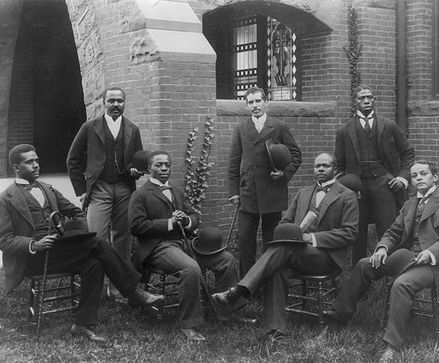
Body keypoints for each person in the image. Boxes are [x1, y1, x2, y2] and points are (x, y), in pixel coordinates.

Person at [0, 144, 164, 342]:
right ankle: (133, 292)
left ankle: (81, 324)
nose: (36, 165)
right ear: (16, 168)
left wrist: (68, 228)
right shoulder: (4, 199)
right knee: (98, 243)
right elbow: (4, 240)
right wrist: (34, 244)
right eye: (29, 162)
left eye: (37, 160)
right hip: (35, 258)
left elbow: (77, 213)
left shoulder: (48, 189)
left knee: (95, 263)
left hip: (59, 250)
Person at [324, 160, 439, 363]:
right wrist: (382, 247)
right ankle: (340, 314)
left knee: (401, 284)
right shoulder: (410, 204)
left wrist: (431, 253)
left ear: (434, 177)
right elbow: (394, 231)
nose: (418, 178)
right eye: (414, 176)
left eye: (423, 174)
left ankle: (393, 345)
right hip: (411, 258)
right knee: (365, 264)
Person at [212, 153, 359, 340]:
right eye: (317, 166)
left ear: (335, 170)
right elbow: (283, 223)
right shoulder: (303, 193)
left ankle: (240, 290)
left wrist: (310, 237)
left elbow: (349, 233)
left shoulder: (347, 195)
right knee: (277, 268)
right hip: (296, 253)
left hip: (326, 257)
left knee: (282, 251)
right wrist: (291, 233)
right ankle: (276, 330)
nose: (320, 169)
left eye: (325, 166)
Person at [129, 151, 248, 342]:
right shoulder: (140, 195)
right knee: (190, 268)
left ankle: (227, 310)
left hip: (185, 243)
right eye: (159, 165)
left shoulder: (176, 192)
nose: (164, 169)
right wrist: (169, 222)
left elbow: (194, 216)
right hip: (159, 247)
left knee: (226, 259)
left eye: (167, 165)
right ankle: (189, 324)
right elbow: (137, 226)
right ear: (149, 168)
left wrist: (186, 221)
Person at [67, 87, 143, 300]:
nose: (116, 104)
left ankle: (117, 289)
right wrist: (81, 191)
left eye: (120, 101)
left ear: (125, 103)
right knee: (96, 238)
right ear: (103, 103)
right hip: (99, 189)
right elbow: (72, 160)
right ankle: (93, 287)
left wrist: (136, 171)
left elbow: (138, 161)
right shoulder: (89, 127)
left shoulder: (132, 129)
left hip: (124, 189)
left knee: (123, 237)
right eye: (111, 101)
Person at [334, 85, 415, 266]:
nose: (366, 101)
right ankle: (359, 273)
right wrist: (346, 186)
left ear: (374, 99)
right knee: (358, 230)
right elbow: (339, 166)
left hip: (384, 184)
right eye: (362, 98)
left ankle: (391, 271)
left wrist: (402, 178)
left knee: (388, 228)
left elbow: (408, 153)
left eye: (369, 97)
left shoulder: (389, 126)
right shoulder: (344, 131)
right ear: (354, 102)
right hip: (357, 188)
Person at [228, 86, 302, 277]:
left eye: (258, 101)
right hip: (248, 191)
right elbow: (234, 161)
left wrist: (284, 173)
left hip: (272, 189)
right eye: (250, 102)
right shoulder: (241, 128)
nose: (254, 106)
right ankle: (247, 283)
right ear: (246, 106)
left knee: (271, 238)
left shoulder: (279, 127)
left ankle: (269, 280)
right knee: (245, 239)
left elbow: (296, 155)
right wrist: (234, 192)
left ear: (266, 102)